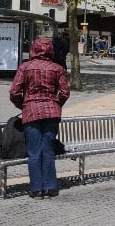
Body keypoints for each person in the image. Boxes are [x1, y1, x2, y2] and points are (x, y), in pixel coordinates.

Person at [9, 38, 71, 199]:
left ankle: (36, 188)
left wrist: (23, 105)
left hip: (30, 112)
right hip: (52, 113)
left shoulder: (25, 67)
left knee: (34, 152)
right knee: (48, 150)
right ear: (50, 50)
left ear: (33, 50)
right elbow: (65, 92)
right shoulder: (57, 68)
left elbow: (14, 92)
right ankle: (51, 187)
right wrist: (56, 104)